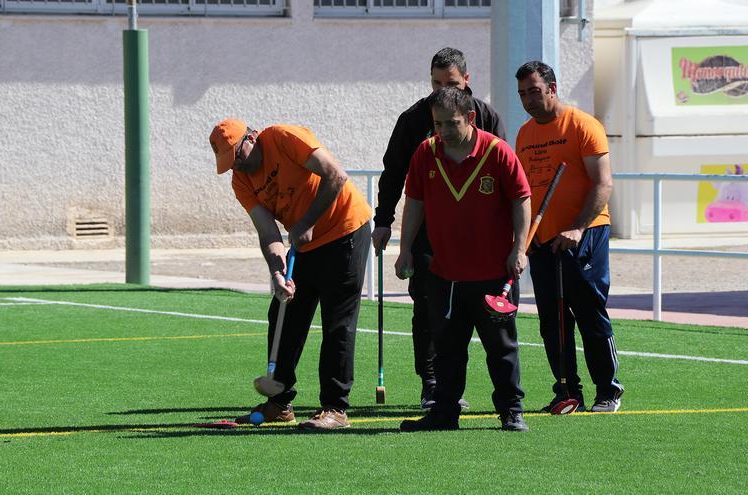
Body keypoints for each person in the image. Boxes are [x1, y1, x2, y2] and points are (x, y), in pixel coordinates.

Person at [209, 118, 372, 430]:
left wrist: (307, 222)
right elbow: (268, 232)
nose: (237, 167)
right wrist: (278, 273)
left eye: (238, 158)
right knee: (284, 310)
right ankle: (280, 403)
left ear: (251, 138)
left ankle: (335, 408)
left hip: (345, 229)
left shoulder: (284, 138)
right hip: (304, 242)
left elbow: (335, 175)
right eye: (229, 164)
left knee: (337, 319)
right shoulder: (241, 182)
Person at [372, 47, 507, 410]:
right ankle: (432, 384)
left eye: (449, 83)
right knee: (428, 308)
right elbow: (394, 173)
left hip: (481, 238)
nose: (440, 89)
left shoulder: (488, 117)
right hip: (430, 234)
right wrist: (383, 221)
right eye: (435, 82)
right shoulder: (413, 119)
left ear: (467, 81)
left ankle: (506, 397)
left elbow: (507, 177)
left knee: (485, 314)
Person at [395, 87, 532, 432]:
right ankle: (445, 412)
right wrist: (405, 248)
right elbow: (414, 202)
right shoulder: (426, 153)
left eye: (450, 124)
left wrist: (519, 248)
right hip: (445, 273)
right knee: (446, 349)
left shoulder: (498, 152)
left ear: (470, 118)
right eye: (438, 124)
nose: (442, 131)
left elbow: (521, 199)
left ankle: (511, 410)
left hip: (492, 273)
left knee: (501, 348)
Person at [514, 61, 625, 413]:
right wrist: (525, 238)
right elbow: (525, 193)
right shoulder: (525, 134)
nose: (529, 100)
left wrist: (577, 228)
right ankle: (567, 392)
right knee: (553, 320)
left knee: (589, 313)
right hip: (543, 241)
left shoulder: (583, 125)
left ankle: (608, 391)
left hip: (584, 235)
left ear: (552, 87)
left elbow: (603, 183)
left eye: (534, 91)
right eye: (522, 94)